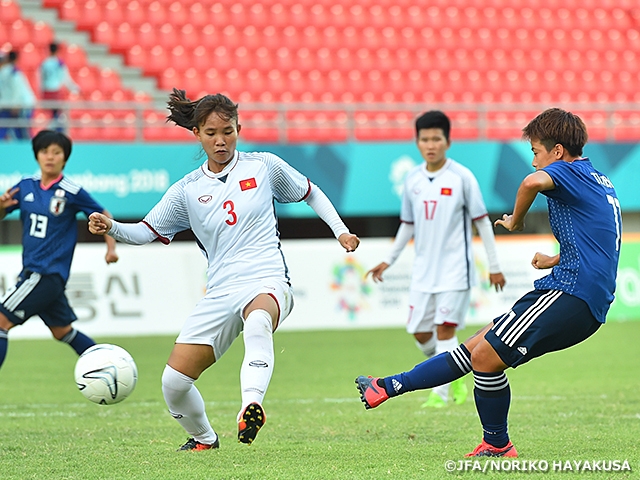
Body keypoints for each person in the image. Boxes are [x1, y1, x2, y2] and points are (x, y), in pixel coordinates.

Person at [88, 88, 360, 451]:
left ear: (239, 128)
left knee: (259, 321)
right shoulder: (187, 190)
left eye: (228, 131)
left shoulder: (263, 166)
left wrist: (340, 231)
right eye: (212, 133)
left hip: (267, 279)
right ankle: (204, 439)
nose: (221, 140)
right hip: (219, 291)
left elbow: (310, 191)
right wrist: (113, 228)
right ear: (197, 134)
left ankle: (251, 404)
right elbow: (146, 232)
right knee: (173, 383)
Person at [356, 108, 621, 457]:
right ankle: (386, 386)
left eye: (536, 153)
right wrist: (557, 257)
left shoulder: (566, 171)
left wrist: (515, 221)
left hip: (571, 293)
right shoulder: (598, 178)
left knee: (485, 357)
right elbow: (600, 239)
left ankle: (497, 443)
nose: (534, 163)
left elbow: (531, 183)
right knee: (476, 347)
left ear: (557, 151)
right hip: (580, 292)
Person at [366, 110, 505, 409]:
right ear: (417, 142)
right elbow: (408, 224)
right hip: (423, 272)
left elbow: (482, 221)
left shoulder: (462, 177)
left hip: (456, 270)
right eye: (425, 139)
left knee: (445, 329)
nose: (431, 145)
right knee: (419, 332)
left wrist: (494, 266)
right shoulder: (413, 179)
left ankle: (439, 395)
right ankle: (452, 373)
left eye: (436, 139)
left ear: (448, 141)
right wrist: (388, 259)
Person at [0, 130, 118, 371]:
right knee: (62, 331)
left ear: (65, 158)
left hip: (44, 273)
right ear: (37, 156)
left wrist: (111, 247)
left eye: (57, 152)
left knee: (1, 321)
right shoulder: (25, 187)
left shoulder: (72, 191)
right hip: (37, 274)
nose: (50, 157)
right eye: (45, 151)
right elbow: (2, 213)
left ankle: (108, 367)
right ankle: (110, 368)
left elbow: (103, 215)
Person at [39, 43, 80, 132]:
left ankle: (53, 129)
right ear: (57, 51)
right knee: (58, 114)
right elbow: (65, 78)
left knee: (55, 114)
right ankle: (53, 129)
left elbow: (41, 80)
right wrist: (74, 88)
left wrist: (41, 93)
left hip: (47, 91)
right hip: (56, 91)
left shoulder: (44, 63)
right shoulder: (60, 63)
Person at [0, 51, 36, 140]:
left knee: (22, 130)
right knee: (16, 130)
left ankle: (28, 148)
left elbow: (17, 89)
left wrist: (15, 104)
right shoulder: (9, 72)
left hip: (21, 105)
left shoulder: (12, 72)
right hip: (11, 105)